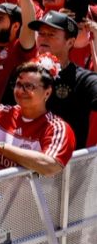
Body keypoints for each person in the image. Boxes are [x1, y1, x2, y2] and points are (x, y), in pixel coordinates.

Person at [0, 57, 75, 176]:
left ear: (47, 92)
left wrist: (1, 148)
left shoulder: (56, 128)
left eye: (29, 86)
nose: (21, 91)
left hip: (31, 195)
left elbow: (51, 166)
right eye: (18, 84)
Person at [28, 10, 97, 148]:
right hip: (26, 161)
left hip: (67, 165)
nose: (43, 38)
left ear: (70, 42)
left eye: (51, 34)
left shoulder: (83, 80)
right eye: (41, 33)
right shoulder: (25, 73)